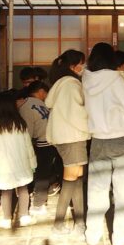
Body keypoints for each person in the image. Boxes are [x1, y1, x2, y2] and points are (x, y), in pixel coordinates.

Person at [82, 42, 124, 245]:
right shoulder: (117, 79)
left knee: (96, 188)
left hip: (97, 139)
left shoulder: (86, 79)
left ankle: (92, 234)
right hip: (121, 138)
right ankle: (119, 235)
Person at [45, 50, 89, 235]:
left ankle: (79, 222)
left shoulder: (61, 84)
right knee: (71, 180)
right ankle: (59, 224)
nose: (83, 67)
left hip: (66, 137)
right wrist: (92, 125)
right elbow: (77, 114)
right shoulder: (71, 85)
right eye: (81, 63)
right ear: (73, 66)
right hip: (73, 137)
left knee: (76, 180)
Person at [0, 90, 37, 230]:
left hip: (2, 167)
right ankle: (24, 216)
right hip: (21, 164)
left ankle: (6, 219)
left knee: (6, 191)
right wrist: (33, 163)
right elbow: (28, 147)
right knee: (23, 189)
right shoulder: (20, 124)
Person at [19, 78, 57, 215]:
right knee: (43, 174)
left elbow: (27, 131)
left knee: (40, 173)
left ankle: (36, 201)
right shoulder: (41, 104)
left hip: (40, 142)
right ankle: (38, 204)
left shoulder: (27, 105)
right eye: (45, 93)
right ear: (41, 91)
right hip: (47, 142)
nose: (46, 96)